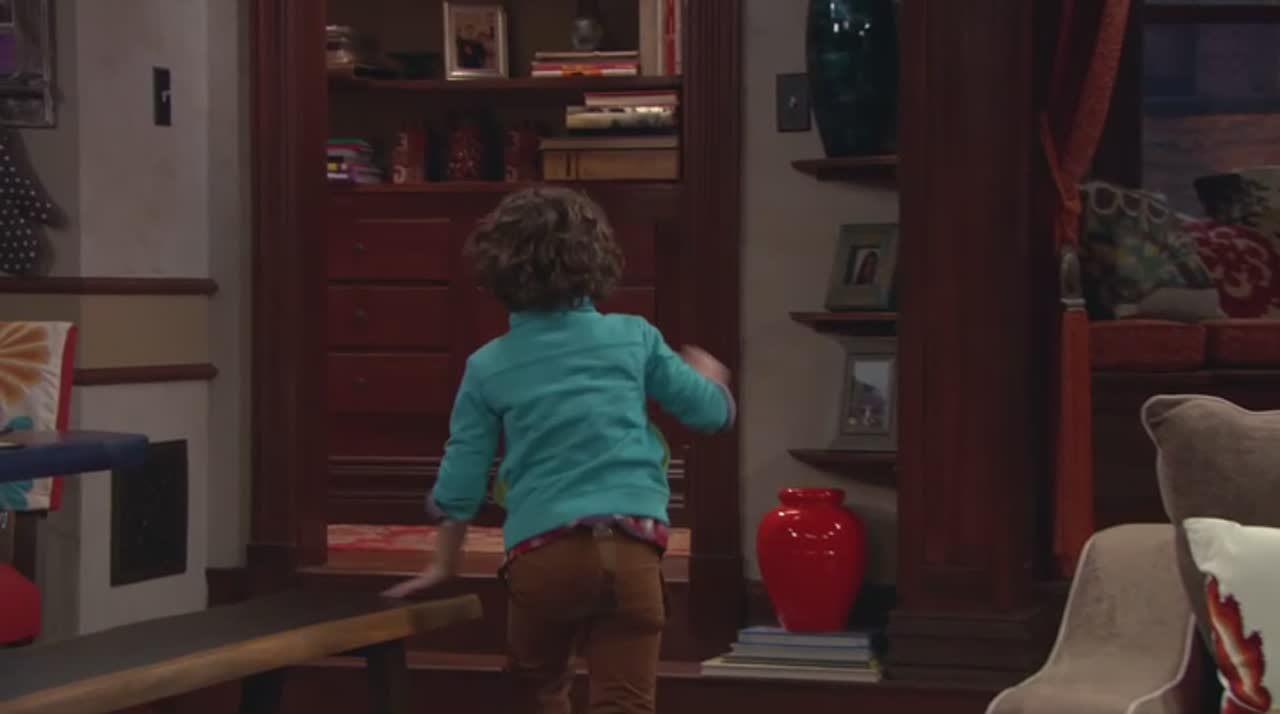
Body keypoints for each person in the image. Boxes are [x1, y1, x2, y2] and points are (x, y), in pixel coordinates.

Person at [383, 187, 735, 714]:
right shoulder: (634, 337)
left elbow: (462, 479)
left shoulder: (487, 366)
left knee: (538, 690)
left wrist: (443, 564)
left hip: (543, 555)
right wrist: (711, 376)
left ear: (496, 271)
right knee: (625, 703)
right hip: (634, 550)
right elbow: (710, 413)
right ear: (597, 260)